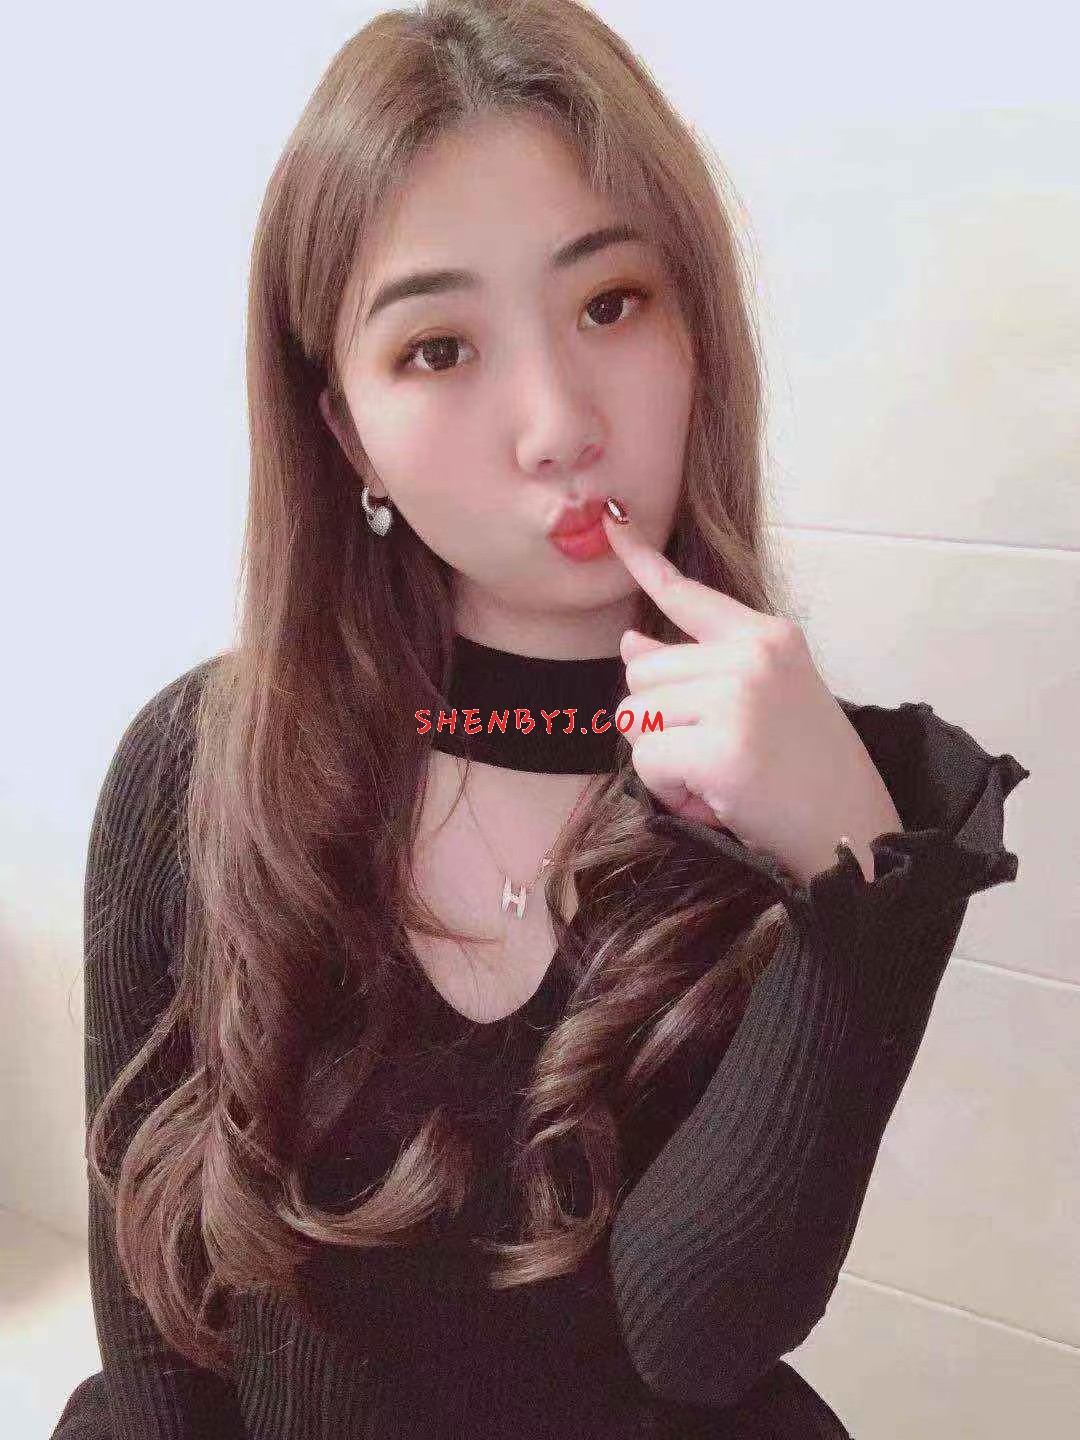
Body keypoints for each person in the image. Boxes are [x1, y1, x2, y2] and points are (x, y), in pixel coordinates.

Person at [51, 2, 1029, 1436]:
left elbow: (697, 1341)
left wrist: (855, 893)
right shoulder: (201, 769)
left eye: (610, 305)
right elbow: (156, 1337)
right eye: (440, 347)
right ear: (346, 430)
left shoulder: (809, 786)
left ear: (699, 327)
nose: (560, 422)